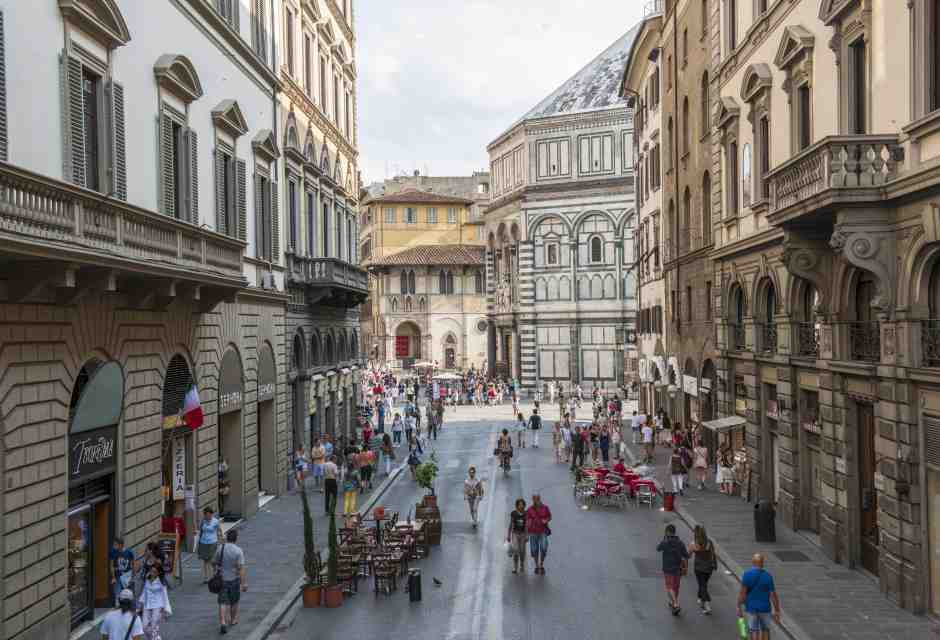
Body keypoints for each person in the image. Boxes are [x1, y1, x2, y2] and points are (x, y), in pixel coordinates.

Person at [737, 553, 781, 640]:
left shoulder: (747, 574)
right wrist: (777, 610)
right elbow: (773, 595)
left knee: (753, 630)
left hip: (751, 608)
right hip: (765, 609)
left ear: (753, 562)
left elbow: (742, 593)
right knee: (765, 630)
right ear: (762, 563)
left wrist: (738, 606)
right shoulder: (768, 576)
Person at [214, 529, 247, 635]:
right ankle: (233, 620)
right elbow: (241, 568)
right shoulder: (238, 551)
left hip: (222, 579)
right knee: (234, 601)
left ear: (227, 538)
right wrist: (244, 583)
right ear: (236, 539)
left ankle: (223, 622)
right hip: (234, 579)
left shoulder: (221, 548)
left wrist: (217, 569)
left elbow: (214, 562)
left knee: (222, 602)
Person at [656, 523, 690, 616]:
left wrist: (664, 539)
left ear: (667, 532)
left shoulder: (665, 542)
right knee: (676, 587)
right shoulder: (680, 543)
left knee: (669, 587)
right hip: (678, 569)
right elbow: (686, 555)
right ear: (674, 532)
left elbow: (658, 548)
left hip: (668, 568)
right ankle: (673, 603)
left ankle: (675, 603)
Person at [138, 562, 171, 640]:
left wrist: (165, 608)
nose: (152, 573)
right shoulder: (147, 578)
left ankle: (154, 637)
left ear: (158, 573)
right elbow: (144, 592)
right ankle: (154, 637)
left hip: (158, 605)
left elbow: (165, 595)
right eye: (151, 571)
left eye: (154, 572)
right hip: (147, 604)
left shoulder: (161, 581)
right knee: (144, 626)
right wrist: (140, 605)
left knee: (154, 625)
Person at [688, 524, 717, 614]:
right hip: (708, 568)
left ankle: (707, 605)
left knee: (702, 585)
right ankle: (700, 597)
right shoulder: (709, 542)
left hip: (699, 568)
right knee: (703, 584)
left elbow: (688, 555)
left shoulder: (693, 544)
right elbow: (713, 554)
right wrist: (714, 564)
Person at [525, 494, 552, 575]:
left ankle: (541, 564)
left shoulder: (545, 508)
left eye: (537, 499)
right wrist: (527, 533)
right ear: (533, 500)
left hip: (543, 531)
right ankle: (537, 565)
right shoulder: (529, 510)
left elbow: (549, 516)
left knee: (544, 548)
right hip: (533, 532)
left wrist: (546, 520)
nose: (536, 500)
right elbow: (527, 522)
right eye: (534, 499)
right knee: (534, 550)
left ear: (539, 499)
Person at [196, 508, 222, 583]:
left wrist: (220, 540)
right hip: (203, 542)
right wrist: (198, 541)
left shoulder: (215, 521)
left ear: (211, 514)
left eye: (209, 514)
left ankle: (214, 573)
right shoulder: (203, 521)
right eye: (206, 515)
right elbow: (200, 531)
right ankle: (206, 577)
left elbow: (219, 531)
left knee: (212, 560)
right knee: (205, 560)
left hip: (212, 542)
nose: (207, 516)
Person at [109, 537, 135, 605]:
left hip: (127, 575)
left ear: (120, 545)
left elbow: (133, 565)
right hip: (118, 575)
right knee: (117, 592)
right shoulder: (113, 552)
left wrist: (132, 577)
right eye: (114, 544)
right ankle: (117, 604)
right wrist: (113, 577)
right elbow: (111, 565)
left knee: (128, 592)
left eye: (115, 544)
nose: (114, 546)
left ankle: (129, 605)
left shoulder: (129, 552)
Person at [507, 498, 528, 574]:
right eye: (519, 504)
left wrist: (527, 535)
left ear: (524, 505)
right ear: (517, 505)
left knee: (522, 551)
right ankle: (515, 567)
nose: (521, 506)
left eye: (522, 504)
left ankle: (522, 563)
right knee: (516, 550)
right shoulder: (513, 513)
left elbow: (526, 525)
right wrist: (508, 535)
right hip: (515, 533)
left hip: (522, 534)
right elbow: (511, 524)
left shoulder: (526, 514)